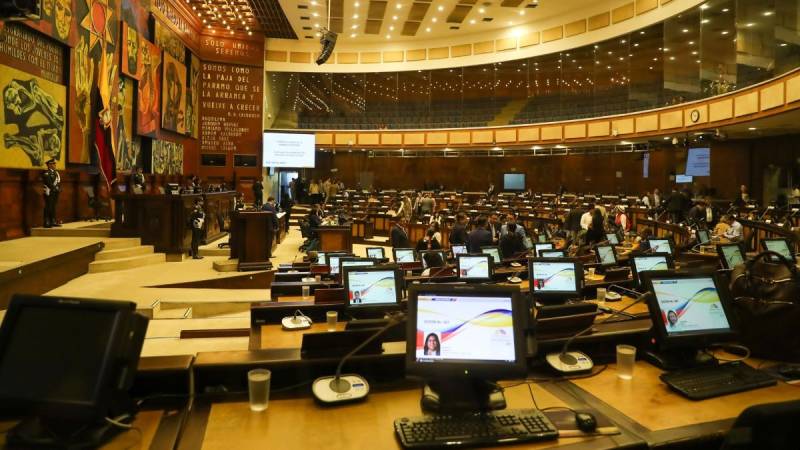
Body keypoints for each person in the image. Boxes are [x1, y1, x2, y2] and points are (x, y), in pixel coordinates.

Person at [42, 158, 61, 227]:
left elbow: (58, 182)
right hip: (49, 191)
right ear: (49, 165)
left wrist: (57, 188)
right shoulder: (46, 173)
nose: (54, 165)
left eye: (54, 163)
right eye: (53, 164)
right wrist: (54, 188)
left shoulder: (56, 173)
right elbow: (48, 183)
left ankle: (53, 220)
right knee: (48, 206)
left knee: (53, 206)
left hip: (55, 192)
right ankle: (46, 221)